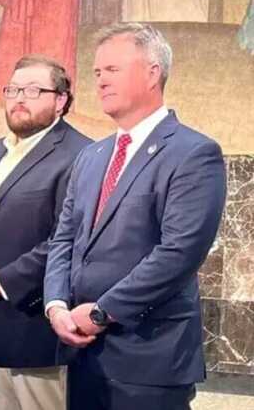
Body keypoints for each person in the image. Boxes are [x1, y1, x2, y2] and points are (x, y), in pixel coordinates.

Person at [43, 23, 227, 409]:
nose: (100, 81)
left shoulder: (194, 153)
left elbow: (178, 253)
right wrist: (56, 306)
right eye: (96, 73)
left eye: (112, 70)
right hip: (82, 355)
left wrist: (100, 313)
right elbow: (64, 239)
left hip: (149, 360)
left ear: (152, 72)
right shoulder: (91, 156)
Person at [0, 55, 91, 410]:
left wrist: (0, 282)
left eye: (33, 90)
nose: (19, 99)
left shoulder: (81, 155)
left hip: (34, 330)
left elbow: (67, 240)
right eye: (12, 89)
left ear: (60, 100)